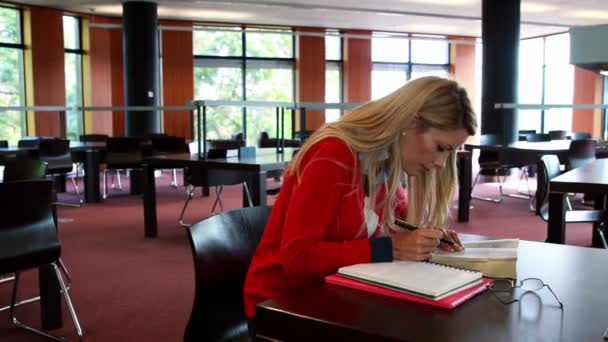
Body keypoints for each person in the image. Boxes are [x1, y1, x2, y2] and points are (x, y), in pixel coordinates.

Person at [243, 76, 477, 334]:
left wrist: (427, 238)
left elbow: (401, 221)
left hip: (333, 293)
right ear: (411, 122)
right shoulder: (333, 152)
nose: (442, 164)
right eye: (441, 148)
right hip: (283, 305)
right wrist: (391, 248)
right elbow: (298, 256)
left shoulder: (383, 161)